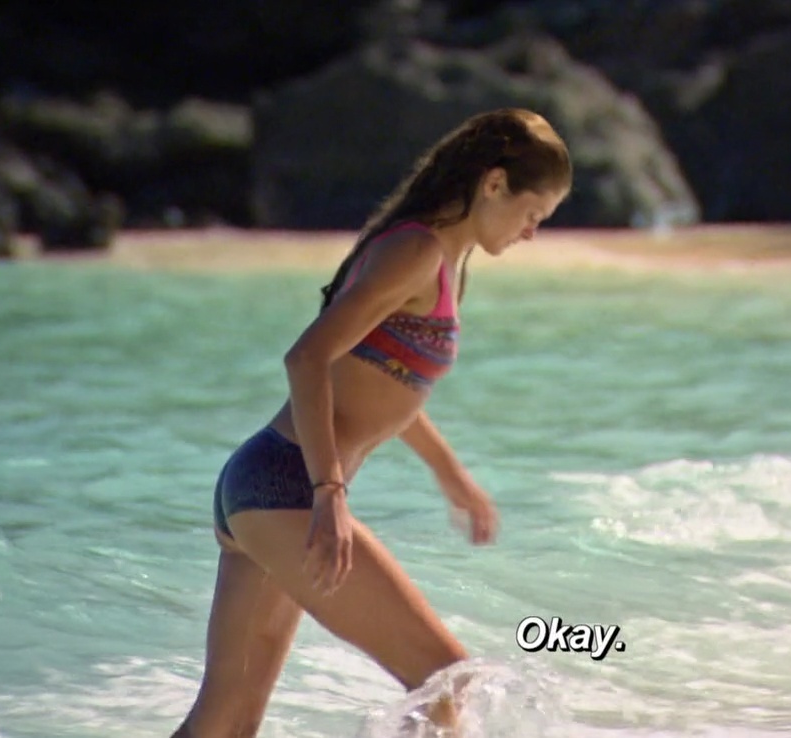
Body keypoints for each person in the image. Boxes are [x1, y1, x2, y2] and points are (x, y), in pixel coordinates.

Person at [171, 108, 572, 737]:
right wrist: (328, 492)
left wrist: (450, 475)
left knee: (227, 722)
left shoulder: (438, 259)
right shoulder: (417, 251)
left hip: (262, 486)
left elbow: (381, 383)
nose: (531, 233)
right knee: (445, 683)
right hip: (288, 487)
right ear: (494, 183)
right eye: (533, 214)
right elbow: (307, 358)